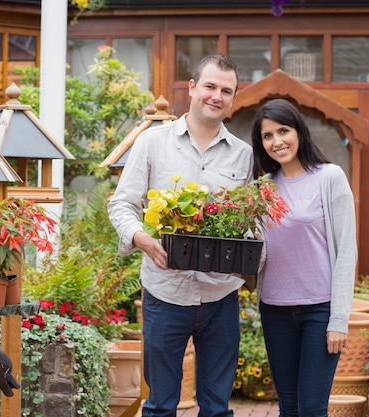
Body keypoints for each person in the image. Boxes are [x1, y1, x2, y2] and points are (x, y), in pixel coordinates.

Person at [108, 54, 253, 417]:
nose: (216, 96)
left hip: (221, 296)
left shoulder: (244, 156)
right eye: (210, 86)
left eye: (226, 90)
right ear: (192, 88)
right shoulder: (152, 143)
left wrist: (249, 252)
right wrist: (141, 238)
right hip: (164, 293)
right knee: (159, 406)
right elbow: (122, 205)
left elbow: (251, 224)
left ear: (233, 99)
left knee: (217, 408)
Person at [250, 98, 357, 417]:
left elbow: (347, 251)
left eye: (282, 131)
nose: (276, 141)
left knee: (311, 408)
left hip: (319, 311)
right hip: (274, 310)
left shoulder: (330, 177)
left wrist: (338, 319)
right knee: (289, 407)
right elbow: (258, 258)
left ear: (298, 131)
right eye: (267, 136)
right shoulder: (263, 189)